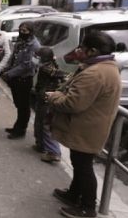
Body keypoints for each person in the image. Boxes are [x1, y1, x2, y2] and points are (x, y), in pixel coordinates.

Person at [46, 31, 121, 218]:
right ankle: (73, 194)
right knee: (79, 163)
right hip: (88, 126)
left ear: (92, 51)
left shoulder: (96, 73)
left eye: (82, 48)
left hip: (87, 128)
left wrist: (54, 96)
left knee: (83, 167)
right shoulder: (104, 67)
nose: (79, 51)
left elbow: (73, 103)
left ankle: (88, 207)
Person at [3, 21, 40, 139]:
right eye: (21, 30)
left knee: (24, 106)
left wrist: (10, 73)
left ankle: (20, 130)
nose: (22, 32)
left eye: (25, 31)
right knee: (19, 104)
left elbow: (28, 65)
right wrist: (6, 69)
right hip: (15, 78)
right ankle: (17, 126)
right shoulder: (20, 41)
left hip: (24, 79)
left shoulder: (34, 45)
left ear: (31, 32)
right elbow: (13, 56)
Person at [33, 47, 67, 163]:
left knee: (45, 124)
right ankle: (41, 145)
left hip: (47, 98)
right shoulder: (51, 65)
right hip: (43, 96)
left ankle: (53, 152)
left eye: (37, 57)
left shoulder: (46, 67)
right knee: (40, 122)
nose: (35, 59)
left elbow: (60, 75)